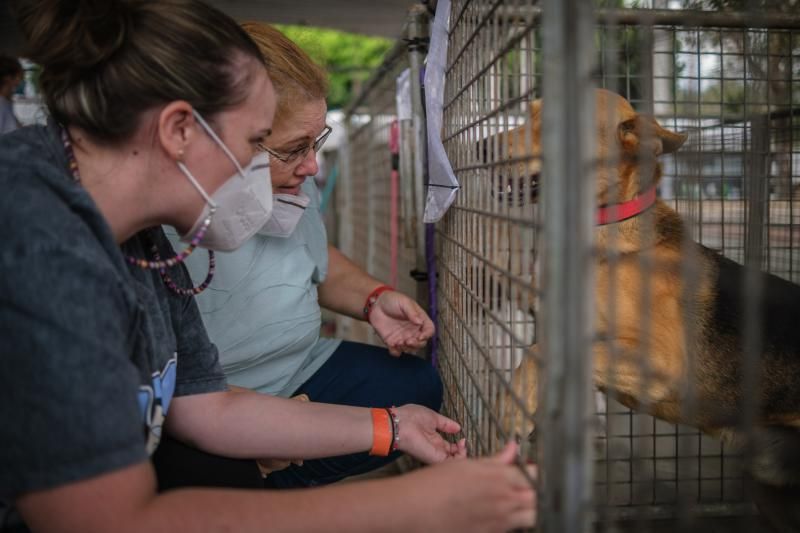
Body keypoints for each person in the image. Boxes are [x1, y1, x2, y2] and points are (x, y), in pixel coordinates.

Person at [0, 1, 536, 532]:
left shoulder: (138, 234)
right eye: (259, 142)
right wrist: (412, 507)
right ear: (179, 130)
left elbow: (208, 407)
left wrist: (391, 428)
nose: (284, 170)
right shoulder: (41, 246)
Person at [164, 21, 441, 489]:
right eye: (293, 149)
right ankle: (259, 485)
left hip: (298, 369)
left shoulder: (295, 182)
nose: (312, 166)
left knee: (416, 387)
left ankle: (268, 473)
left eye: (315, 142)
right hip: (207, 399)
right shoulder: (157, 220)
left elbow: (313, 256)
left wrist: (373, 298)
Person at [0, 54, 23, 134]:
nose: (20, 81)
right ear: (7, 78)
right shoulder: (2, 105)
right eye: (18, 76)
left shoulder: (6, 103)